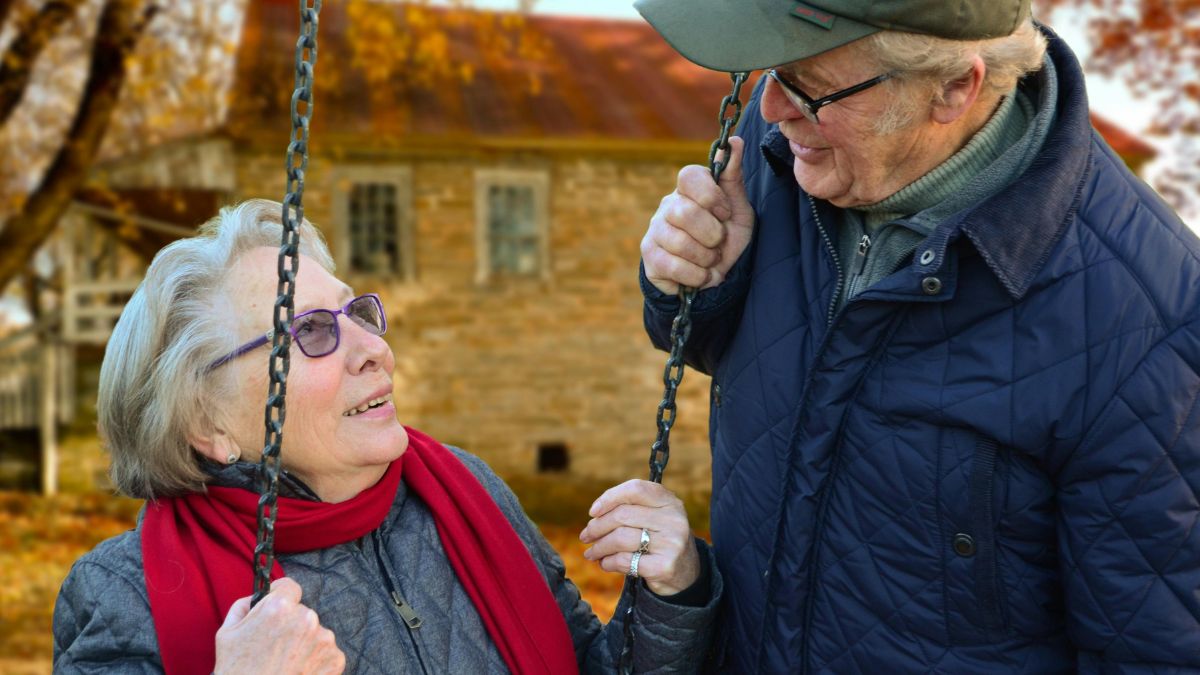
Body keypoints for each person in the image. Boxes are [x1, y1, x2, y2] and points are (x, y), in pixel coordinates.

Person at [636, 0, 1200, 672]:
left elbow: (1157, 649)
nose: (771, 110)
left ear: (955, 87)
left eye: (809, 88)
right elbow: (721, 352)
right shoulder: (784, 160)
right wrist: (692, 284)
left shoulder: (1147, 321)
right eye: (768, 74)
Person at [53, 199, 721, 674]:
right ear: (208, 423)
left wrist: (672, 594)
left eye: (357, 312)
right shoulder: (126, 591)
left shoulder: (464, 493)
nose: (373, 346)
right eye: (311, 330)